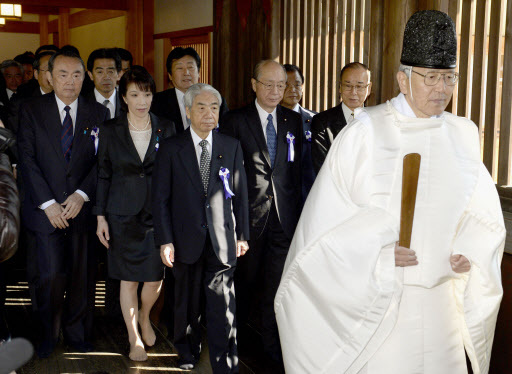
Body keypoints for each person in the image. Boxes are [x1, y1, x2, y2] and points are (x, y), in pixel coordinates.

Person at [275, 10, 505, 374]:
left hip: (443, 303)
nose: (441, 89)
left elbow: (481, 215)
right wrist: (377, 254)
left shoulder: (462, 134)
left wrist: (470, 254)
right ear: (403, 78)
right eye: (431, 77)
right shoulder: (367, 132)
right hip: (385, 303)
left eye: (449, 78)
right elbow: (324, 232)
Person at [17, 49, 110, 358]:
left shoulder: (99, 113)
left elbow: (103, 163)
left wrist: (82, 195)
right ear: (49, 77)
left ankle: (77, 334)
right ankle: (46, 336)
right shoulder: (31, 109)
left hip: (81, 209)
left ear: (86, 78)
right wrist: (48, 203)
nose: (70, 82)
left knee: (83, 278)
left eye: (77, 75)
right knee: (50, 278)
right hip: (46, 213)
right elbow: (27, 160)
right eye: (62, 75)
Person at [152, 83, 249, 372]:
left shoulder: (230, 146)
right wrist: (165, 240)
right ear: (188, 110)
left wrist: (242, 235)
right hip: (184, 239)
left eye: (215, 107)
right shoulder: (171, 147)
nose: (209, 114)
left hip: (222, 239)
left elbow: (240, 194)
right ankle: (186, 351)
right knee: (186, 302)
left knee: (223, 305)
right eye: (202, 107)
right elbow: (160, 199)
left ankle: (225, 361)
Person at [220, 60, 303, 366]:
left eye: (281, 85)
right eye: (267, 84)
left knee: (276, 287)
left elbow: (296, 173)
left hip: (284, 219)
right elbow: (224, 173)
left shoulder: (293, 122)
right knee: (244, 283)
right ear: (254, 84)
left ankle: (272, 349)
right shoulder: (234, 120)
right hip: (248, 219)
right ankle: (234, 342)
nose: (275, 91)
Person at [94, 66, 175, 361]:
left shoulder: (167, 127)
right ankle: (133, 337)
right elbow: (103, 174)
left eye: (148, 93)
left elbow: (173, 174)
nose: (142, 100)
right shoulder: (110, 130)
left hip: (157, 214)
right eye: (135, 94)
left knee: (155, 279)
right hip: (121, 214)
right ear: (123, 97)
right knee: (127, 280)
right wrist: (100, 216)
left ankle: (144, 316)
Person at [311, 62, 371, 173]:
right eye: (348, 85)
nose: (353, 92)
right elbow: (322, 167)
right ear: (340, 87)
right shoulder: (322, 122)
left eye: (359, 86)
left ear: (369, 88)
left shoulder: (377, 120)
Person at [152, 47, 229, 133]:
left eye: (190, 67)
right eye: (180, 68)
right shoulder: (156, 102)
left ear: (199, 72)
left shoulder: (216, 101)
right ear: (170, 75)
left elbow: (225, 134)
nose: (186, 73)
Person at [281, 63, 317, 201]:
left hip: (308, 196)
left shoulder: (315, 120)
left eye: (297, 84)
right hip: (280, 197)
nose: (292, 90)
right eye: (286, 85)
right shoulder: (270, 121)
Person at [86, 48, 123, 119]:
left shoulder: (128, 103)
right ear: (90, 75)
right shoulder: (81, 104)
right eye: (100, 72)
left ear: (119, 74)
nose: (106, 77)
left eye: (110, 72)